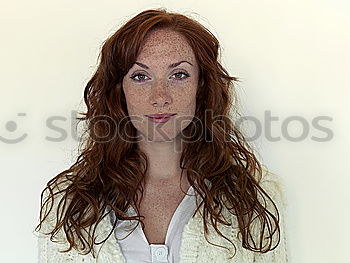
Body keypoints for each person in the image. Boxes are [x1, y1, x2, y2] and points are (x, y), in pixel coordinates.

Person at [34, 8, 289, 263]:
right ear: (119, 90)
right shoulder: (70, 203)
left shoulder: (253, 196)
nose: (160, 97)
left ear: (201, 86)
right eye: (140, 76)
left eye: (178, 75)